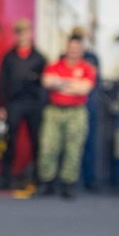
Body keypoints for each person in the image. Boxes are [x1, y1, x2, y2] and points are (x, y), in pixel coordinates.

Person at [36, 34, 97, 198]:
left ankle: (68, 184)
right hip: (54, 110)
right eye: (71, 47)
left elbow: (83, 89)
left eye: (77, 48)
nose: (73, 50)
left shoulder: (87, 68)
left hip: (76, 112)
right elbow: (47, 82)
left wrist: (60, 83)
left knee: (73, 149)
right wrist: (71, 83)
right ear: (66, 47)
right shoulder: (54, 65)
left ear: (82, 50)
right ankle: (46, 182)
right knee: (48, 146)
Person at [0, 19, 47, 189]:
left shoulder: (39, 58)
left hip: (34, 105)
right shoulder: (9, 57)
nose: (22, 35)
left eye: (25, 32)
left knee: (37, 142)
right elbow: (2, 82)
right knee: (10, 142)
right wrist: (1, 106)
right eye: (18, 32)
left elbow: (45, 84)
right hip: (14, 103)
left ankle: (39, 179)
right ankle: (6, 178)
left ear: (30, 33)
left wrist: (42, 104)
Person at [71, 26, 102, 191]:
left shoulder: (92, 58)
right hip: (68, 106)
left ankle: (89, 178)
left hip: (88, 105)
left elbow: (93, 84)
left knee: (89, 143)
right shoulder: (64, 58)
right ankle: (71, 179)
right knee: (70, 145)